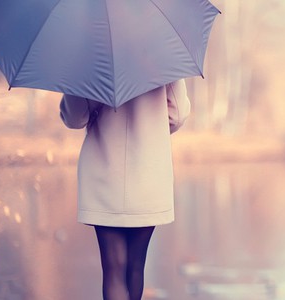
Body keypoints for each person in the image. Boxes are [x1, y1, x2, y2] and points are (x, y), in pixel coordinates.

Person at [59, 80, 191, 300]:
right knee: (136, 266)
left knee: (113, 270)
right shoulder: (162, 51)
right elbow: (177, 115)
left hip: (104, 173)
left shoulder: (88, 54)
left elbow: (74, 118)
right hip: (148, 173)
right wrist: (152, 123)